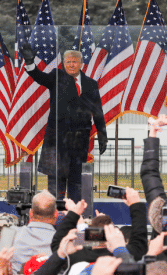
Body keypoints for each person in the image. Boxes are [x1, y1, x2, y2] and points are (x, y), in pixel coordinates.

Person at [20, 43, 108, 201]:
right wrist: (29, 63)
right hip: (57, 141)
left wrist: (102, 135)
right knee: (56, 186)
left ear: (81, 64)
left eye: (74, 61)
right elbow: (39, 77)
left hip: (79, 142)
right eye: (68, 61)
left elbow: (98, 112)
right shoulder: (56, 77)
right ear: (63, 64)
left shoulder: (91, 84)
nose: (71, 64)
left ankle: (73, 216)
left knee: (76, 184)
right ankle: (55, 217)